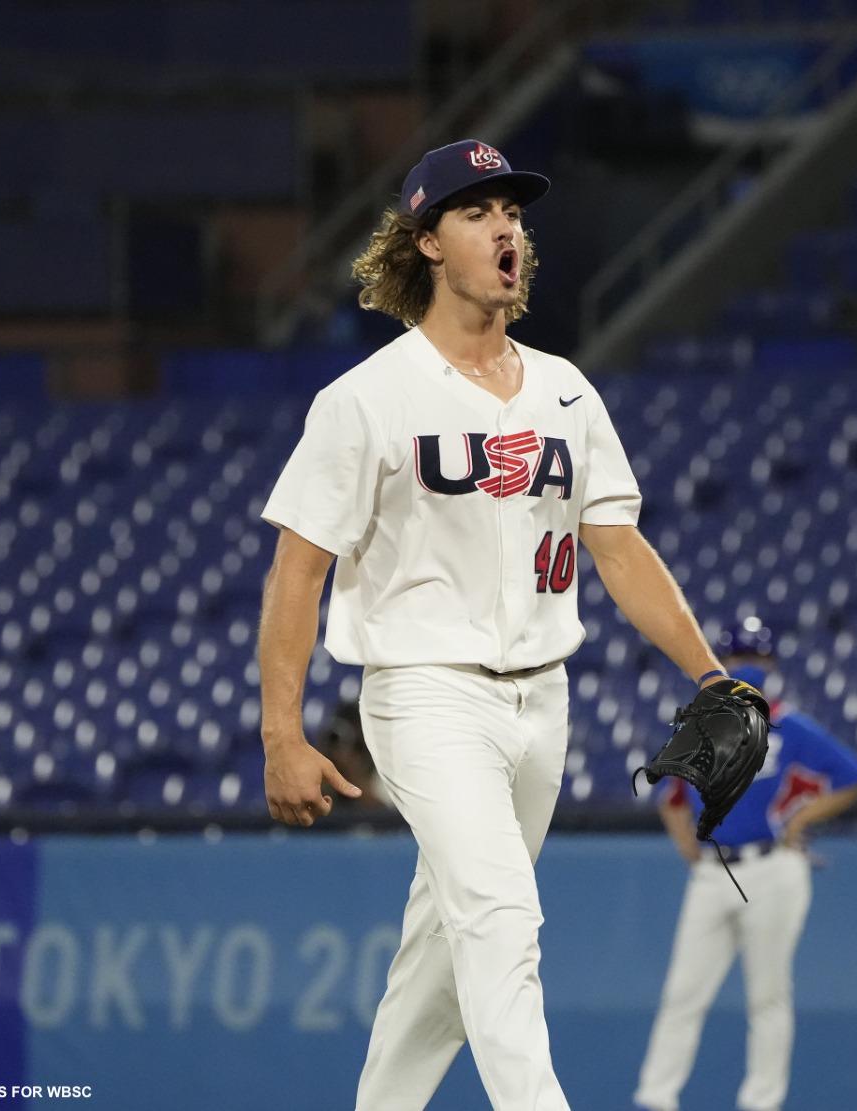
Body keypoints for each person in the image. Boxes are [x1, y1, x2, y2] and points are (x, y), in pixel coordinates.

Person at [257, 138, 744, 1111]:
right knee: (500, 917)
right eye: (478, 212)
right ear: (428, 240)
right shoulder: (366, 400)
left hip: (540, 704)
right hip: (423, 694)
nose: (505, 228)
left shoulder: (566, 390)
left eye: (512, 213)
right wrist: (281, 732)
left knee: (443, 961)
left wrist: (709, 675)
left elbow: (617, 550)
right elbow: (296, 573)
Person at [633, 618, 857, 1111]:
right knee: (684, 994)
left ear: (768, 665)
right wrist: (692, 853)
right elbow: (672, 798)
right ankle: (656, 1099)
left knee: (767, 996)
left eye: (751, 659)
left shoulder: (786, 723)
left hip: (771, 868)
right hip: (717, 871)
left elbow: (852, 777)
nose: (745, 668)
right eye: (738, 659)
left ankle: (761, 1104)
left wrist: (800, 818)